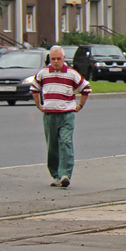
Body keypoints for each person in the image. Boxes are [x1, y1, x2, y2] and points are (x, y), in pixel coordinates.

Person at [31, 45, 91, 188]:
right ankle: (56, 175)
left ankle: (65, 174)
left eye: (59, 59)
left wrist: (80, 105)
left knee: (65, 142)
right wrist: (39, 105)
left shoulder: (72, 74)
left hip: (66, 115)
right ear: (49, 59)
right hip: (50, 114)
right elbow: (34, 88)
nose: (56, 61)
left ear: (64, 59)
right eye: (53, 59)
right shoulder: (43, 73)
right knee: (52, 146)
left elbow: (85, 88)